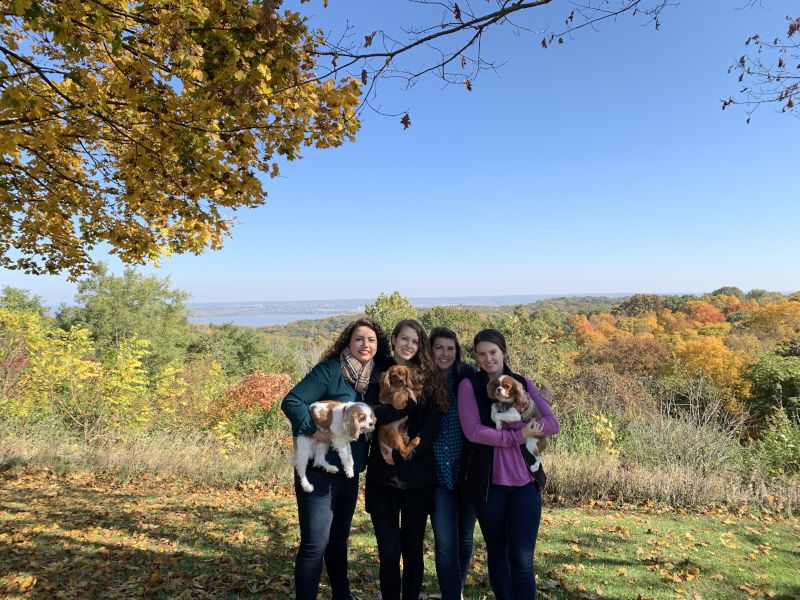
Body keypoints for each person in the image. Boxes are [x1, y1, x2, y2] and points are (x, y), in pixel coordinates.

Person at [281, 317, 391, 600]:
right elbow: (292, 401)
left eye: (371, 340)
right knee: (315, 544)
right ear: (348, 342)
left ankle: (342, 595)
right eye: (359, 339)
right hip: (318, 472)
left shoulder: (374, 378)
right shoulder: (330, 371)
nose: (365, 345)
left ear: (378, 346)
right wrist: (313, 430)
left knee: (339, 540)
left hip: (349, 474)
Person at [458, 328, 559, 600]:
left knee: (522, 559)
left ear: (503, 352)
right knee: (498, 553)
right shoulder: (471, 386)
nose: (488, 359)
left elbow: (552, 424)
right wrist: (518, 435)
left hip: (525, 483)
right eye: (481, 354)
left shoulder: (522, 383)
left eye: (493, 352)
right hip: (489, 486)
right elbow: (474, 431)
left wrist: (527, 428)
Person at [365, 319, 448, 600]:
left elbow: (432, 427)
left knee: (412, 551)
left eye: (415, 341)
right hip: (382, 477)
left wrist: (412, 449)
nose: (409, 345)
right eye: (404, 339)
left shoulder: (429, 377)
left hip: (418, 478)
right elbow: (369, 415)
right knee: (388, 552)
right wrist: (404, 407)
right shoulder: (378, 372)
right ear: (394, 340)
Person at [428, 327, 478, 600]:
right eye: (439, 348)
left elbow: (500, 382)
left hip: (466, 471)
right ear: (431, 350)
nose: (445, 353)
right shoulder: (422, 380)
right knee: (445, 543)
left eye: (450, 348)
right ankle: (451, 596)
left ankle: (456, 590)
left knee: (465, 539)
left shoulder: (467, 376)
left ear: (457, 351)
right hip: (436, 474)